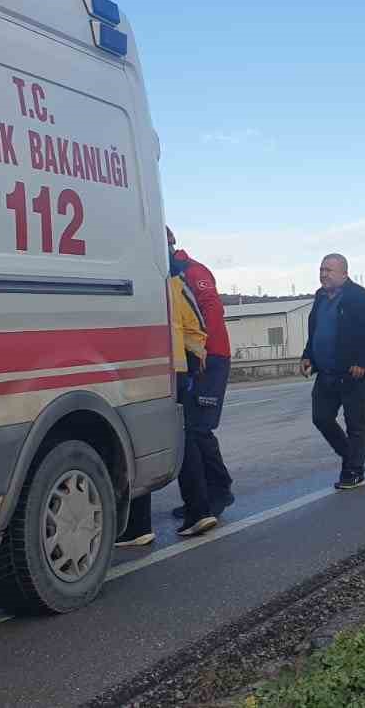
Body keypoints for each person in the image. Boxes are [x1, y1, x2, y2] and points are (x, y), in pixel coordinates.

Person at [117, 243, 213, 545]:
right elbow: (195, 324)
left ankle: (138, 526)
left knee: (137, 439)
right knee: (182, 439)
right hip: (174, 369)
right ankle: (199, 510)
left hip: (143, 367)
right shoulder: (175, 279)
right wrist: (193, 359)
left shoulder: (134, 274)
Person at [168, 228, 236, 525]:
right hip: (194, 359)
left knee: (198, 429)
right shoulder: (172, 273)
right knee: (191, 430)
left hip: (211, 357)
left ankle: (219, 491)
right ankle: (203, 496)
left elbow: (211, 310)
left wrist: (202, 351)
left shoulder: (192, 272)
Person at [301, 254, 365, 490]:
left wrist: (363, 362)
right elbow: (315, 330)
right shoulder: (320, 297)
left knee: (355, 422)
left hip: (354, 371)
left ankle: (354, 471)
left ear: (344, 273)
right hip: (327, 371)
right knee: (321, 417)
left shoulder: (359, 297)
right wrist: (308, 355)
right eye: (321, 269)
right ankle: (351, 457)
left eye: (328, 270)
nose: (323, 274)